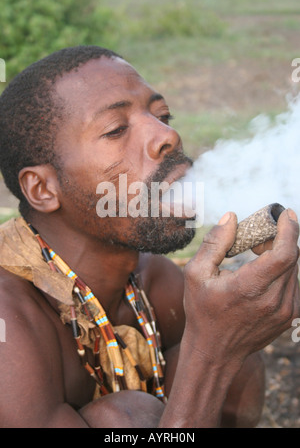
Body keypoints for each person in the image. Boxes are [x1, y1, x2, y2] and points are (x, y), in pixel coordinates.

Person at [0, 46, 298, 429]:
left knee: (237, 368)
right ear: (42, 189)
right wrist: (212, 353)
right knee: (126, 418)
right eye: (116, 129)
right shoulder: (11, 326)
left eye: (163, 116)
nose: (167, 135)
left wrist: (267, 289)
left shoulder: (154, 281)